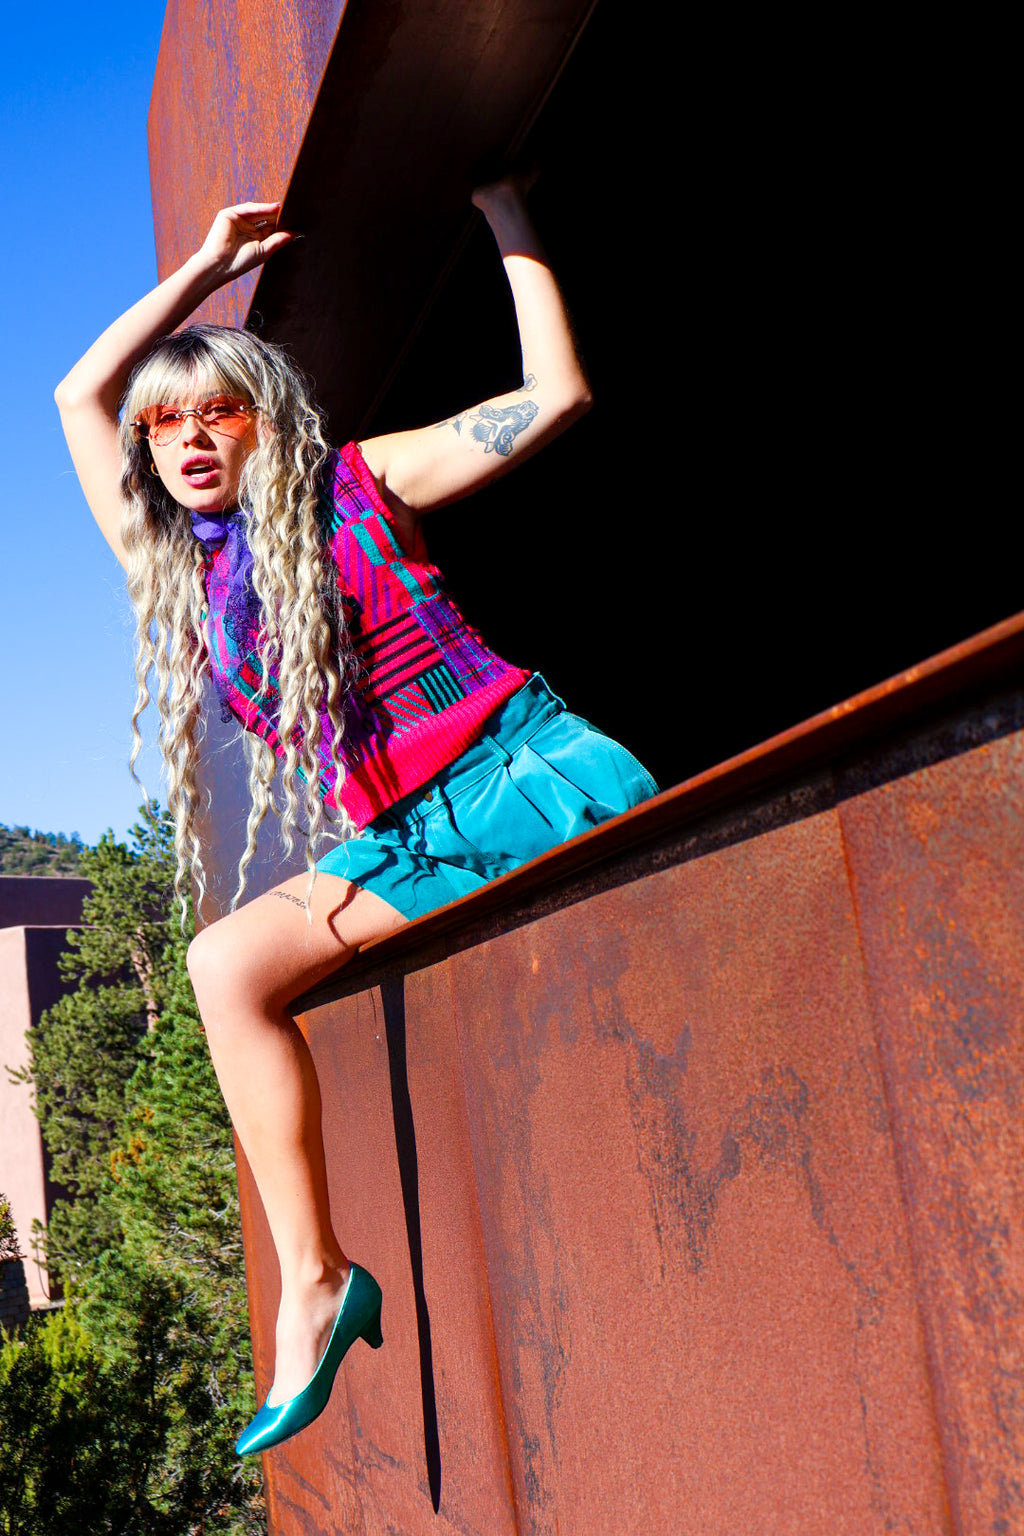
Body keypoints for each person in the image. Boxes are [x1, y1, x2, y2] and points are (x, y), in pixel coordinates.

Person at [55, 181, 658, 1457]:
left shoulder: (360, 483)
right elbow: (72, 397)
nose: (188, 438)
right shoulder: (173, 567)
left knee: (225, 964)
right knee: (225, 960)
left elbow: (553, 394)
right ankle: (316, 1278)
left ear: (264, 422)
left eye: (218, 409)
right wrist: (206, 269)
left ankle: (320, 1291)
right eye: (164, 424)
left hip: (519, 776)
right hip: (408, 837)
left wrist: (504, 207)